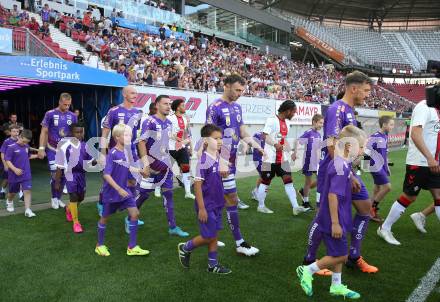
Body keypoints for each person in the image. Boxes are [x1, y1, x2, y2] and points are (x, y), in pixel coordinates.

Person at [303, 71, 378, 274]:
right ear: (353, 88)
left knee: (365, 209)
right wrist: (350, 174)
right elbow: (331, 145)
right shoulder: (337, 109)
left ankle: (353, 255)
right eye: (365, 91)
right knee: (322, 217)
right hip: (335, 172)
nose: (366, 95)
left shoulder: (350, 110)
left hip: (349, 171)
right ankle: (309, 260)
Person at [296, 125, 366, 299]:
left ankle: (336, 285)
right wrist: (335, 222)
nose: (363, 151)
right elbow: (333, 195)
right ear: (349, 146)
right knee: (341, 255)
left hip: (337, 214)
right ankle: (307, 270)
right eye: (361, 147)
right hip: (333, 217)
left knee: (338, 250)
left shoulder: (342, 163)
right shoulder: (340, 166)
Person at [206, 74, 263, 256]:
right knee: (227, 199)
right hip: (217, 162)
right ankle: (239, 242)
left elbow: (242, 130)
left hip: (230, 161)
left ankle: (212, 235)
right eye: (237, 90)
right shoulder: (214, 108)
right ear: (226, 85)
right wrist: (220, 161)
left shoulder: (237, 107)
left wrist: (255, 143)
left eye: (242, 91)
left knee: (223, 200)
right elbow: (208, 138)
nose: (240, 94)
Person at [377, 99, 440, 245]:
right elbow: (415, 134)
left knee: (438, 195)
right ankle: (384, 228)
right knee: (410, 197)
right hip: (419, 161)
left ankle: (419, 216)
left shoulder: (437, 109)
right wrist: (430, 158)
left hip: (433, 163)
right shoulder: (425, 106)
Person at [178, 124, 231, 274]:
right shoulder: (203, 161)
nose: (220, 141)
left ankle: (212, 265)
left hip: (217, 203)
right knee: (208, 236)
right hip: (206, 205)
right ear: (206, 140)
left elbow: (217, 178)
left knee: (214, 234)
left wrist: (224, 174)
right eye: (216, 138)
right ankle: (185, 247)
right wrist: (201, 208)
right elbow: (198, 186)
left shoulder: (218, 157)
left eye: (221, 138)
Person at [136, 95, 189, 237]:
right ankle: (130, 219)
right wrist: (146, 165)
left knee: (169, 194)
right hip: (151, 166)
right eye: (165, 103)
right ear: (157, 105)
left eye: (169, 103)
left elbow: (165, 138)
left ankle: (173, 227)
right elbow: (141, 142)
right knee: (143, 195)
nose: (168, 106)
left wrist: (177, 139)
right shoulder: (149, 121)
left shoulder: (169, 123)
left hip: (165, 166)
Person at [95, 124, 149, 257]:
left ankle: (132, 247)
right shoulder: (112, 153)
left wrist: (140, 171)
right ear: (117, 137)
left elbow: (127, 167)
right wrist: (118, 189)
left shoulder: (126, 152)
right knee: (104, 218)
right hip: (112, 192)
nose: (129, 137)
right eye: (126, 135)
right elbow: (106, 175)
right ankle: (99, 245)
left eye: (130, 135)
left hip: (125, 191)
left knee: (135, 213)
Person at [100, 86, 144, 225]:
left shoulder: (138, 113)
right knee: (111, 182)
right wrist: (102, 153)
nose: (135, 95)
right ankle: (103, 202)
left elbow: (137, 136)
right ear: (124, 94)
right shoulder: (114, 111)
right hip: (117, 155)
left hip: (131, 155)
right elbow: (105, 133)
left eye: (136, 93)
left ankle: (129, 215)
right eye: (132, 93)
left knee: (133, 183)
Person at [255, 100, 307, 215]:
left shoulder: (287, 123)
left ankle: (296, 207)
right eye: (293, 112)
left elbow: (283, 139)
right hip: (269, 159)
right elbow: (265, 135)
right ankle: (261, 206)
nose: (294, 114)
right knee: (265, 182)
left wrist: (292, 152)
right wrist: (274, 144)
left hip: (283, 159)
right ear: (288, 111)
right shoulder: (272, 120)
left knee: (289, 182)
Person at [38, 93, 78, 210]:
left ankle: (58, 198)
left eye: (69, 105)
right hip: (52, 149)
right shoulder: (50, 114)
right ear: (59, 102)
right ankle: (53, 198)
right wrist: (41, 148)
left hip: (66, 150)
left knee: (64, 176)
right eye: (65, 104)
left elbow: (75, 133)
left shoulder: (72, 115)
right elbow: (44, 131)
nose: (67, 107)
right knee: (56, 175)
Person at [54, 123, 93, 233]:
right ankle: (76, 223)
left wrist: (96, 161)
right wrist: (57, 182)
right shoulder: (64, 146)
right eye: (77, 132)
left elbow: (89, 162)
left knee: (81, 198)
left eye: (81, 132)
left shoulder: (86, 145)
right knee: (74, 196)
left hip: (81, 175)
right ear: (71, 133)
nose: (79, 134)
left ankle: (68, 209)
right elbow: (59, 165)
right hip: (70, 174)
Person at [5, 129, 38, 217]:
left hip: (26, 173)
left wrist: (38, 155)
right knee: (13, 192)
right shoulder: (11, 147)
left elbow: (28, 156)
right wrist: (15, 169)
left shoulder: (26, 146)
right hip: (14, 174)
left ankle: (27, 210)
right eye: (23, 141)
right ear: (19, 136)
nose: (24, 143)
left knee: (27, 190)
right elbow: (7, 160)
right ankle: (9, 201)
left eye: (26, 142)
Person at [367, 116, 394, 222]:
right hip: (375, 167)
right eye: (391, 124)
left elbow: (385, 153)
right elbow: (366, 150)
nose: (392, 126)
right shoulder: (375, 136)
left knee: (377, 189)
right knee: (387, 187)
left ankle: (368, 211)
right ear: (384, 125)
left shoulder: (385, 136)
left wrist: (387, 167)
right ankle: (373, 209)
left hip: (382, 166)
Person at [296, 114, 324, 210]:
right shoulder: (308, 132)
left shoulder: (319, 135)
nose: (321, 125)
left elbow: (319, 148)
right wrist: (295, 153)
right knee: (308, 182)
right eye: (320, 123)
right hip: (308, 161)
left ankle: (305, 193)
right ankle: (306, 202)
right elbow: (298, 141)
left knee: (321, 179)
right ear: (314, 122)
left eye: (322, 123)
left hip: (317, 162)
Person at [168, 99, 195, 199]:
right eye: (183, 105)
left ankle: (188, 192)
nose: (185, 107)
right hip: (170, 148)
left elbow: (185, 134)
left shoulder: (184, 119)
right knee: (165, 170)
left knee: (186, 168)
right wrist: (174, 137)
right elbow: (166, 133)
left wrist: (185, 142)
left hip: (181, 148)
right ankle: (158, 187)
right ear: (178, 107)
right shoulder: (170, 118)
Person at [1, 125, 22, 200]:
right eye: (14, 131)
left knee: (19, 178)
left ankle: (21, 195)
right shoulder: (6, 141)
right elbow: (2, 153)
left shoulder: (21, 140)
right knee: (6, 179)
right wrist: (5, 164)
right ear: (10, 132)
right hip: (8, 163)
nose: (16, 133)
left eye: (17, 131)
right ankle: (2, 191)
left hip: (18, 164)